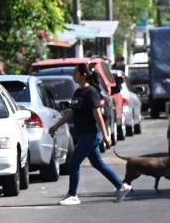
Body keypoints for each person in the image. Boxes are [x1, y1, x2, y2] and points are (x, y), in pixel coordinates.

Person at [48, 62, 132, 206]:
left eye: (75, 72)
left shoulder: (91, 92)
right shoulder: (78, 92)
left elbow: (98, 115)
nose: (73, 75)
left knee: (73, 163)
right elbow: (71, 113)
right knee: (98, 163)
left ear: (84, 76)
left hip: (91, 134)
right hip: (84, 134)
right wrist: (56, 126)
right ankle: (122, 186)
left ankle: (73, 195)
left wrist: (106, 135)